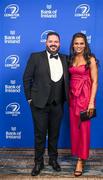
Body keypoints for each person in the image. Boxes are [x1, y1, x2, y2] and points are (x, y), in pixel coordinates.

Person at [23, 32, 69, 176]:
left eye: (56, 41)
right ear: (46, 42)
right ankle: (38, 162)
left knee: (54, 134)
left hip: (58, 103)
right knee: (40, 134)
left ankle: (53, 160)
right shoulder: (35, 57)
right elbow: (26, 78)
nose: (53, 44)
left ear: (59, 43)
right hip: (39, 104)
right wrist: (29, 98)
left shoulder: (65, 58)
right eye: (50, 41)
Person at [69, 32, 98, 176]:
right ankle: (78, 154)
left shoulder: (90, 59)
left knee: (84, 129)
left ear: (85, 44)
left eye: (81, 43)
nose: (79, 46)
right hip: (73, 97)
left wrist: (91, 102)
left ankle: (81, 160)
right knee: (75, 129)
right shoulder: (71, 58)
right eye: (76, 43)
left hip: (85, 97)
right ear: (72, 44)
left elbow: (95, 82)